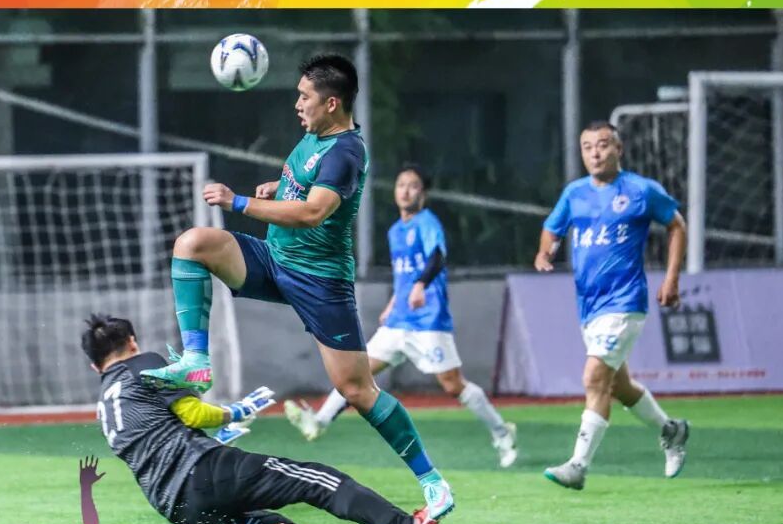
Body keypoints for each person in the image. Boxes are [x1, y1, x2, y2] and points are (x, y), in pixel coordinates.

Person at [138, 54, 456, 521]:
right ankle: (196, 360)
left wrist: (239, 201)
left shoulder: (346, 151)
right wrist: (278, 187)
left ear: (332, 103)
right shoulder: (316, 137)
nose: (297, 104)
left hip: (320, 282)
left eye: (305, 96)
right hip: (274, 259)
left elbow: (312, 212)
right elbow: (305, 188)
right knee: (193, 244)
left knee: (356, 389)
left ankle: (433, 483)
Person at [81, 314, 439, 524]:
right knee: (316, 480)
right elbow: (192, 415)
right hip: (202, 469)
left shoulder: (104, 406)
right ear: (132, 342)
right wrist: (236, 411)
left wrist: (218, 437)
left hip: (174, 506)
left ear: (95, 366)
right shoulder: (143, 363)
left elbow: (156, 445)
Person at [284, 163, 518, 468]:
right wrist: (393, 303)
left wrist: (420, 285)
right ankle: (320, 421)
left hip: (428, 319)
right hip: (399, 322)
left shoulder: (427, 222)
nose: (406, 191)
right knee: (355, 373)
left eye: (413, 185)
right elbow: (404, 277)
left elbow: (437, 257)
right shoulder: (395, 231)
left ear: (423, 193)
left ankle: (502, 432)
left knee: (452, 385)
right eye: (401, 185)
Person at [534, 121, 690, 490]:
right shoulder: (575, 193)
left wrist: (671, 278)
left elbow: (677, 226)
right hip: (589, 305)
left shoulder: (641, 190)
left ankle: (578, 466)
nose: (595, 153)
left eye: (603, 145)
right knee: (618, 385)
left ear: (618, 149)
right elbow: (552, 229)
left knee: (593, 377)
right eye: (587, 147)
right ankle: (672, 430)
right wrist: (545, 251)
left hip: (625, 301)